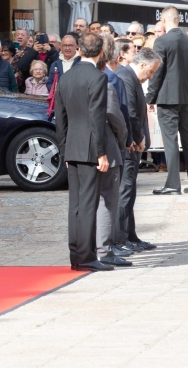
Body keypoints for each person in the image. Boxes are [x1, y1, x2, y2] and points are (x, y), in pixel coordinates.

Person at [55, 32, 111, 271]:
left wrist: (64, 148)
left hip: (72, 148)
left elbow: (60, 118)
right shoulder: (98, 78)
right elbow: (96, 118)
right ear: (100, 53)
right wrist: (101, 152)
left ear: (79, 50)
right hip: (89, 148)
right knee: (88, 204)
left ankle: (76, 255)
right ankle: (86, 256)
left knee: (75, 205)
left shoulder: (66, 77)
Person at [146, 6, 188, 195]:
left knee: (170, 140)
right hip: (186, 96)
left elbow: (157, 72)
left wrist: (149, 97)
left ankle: (172, 184)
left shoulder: (161, 42)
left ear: (163, 21)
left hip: (167, 97)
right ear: (179, 20)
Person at [115, 48, 162, 253]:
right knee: (124, 192)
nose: (150, 76)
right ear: (142, 64)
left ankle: (130, 235)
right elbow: (130, 113)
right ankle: (120, 238)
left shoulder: (129, 77)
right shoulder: (125, 77)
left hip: (133, 145)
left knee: (130, 192)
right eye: (150, 72)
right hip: (129, 145)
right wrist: (137, 138)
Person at [95, 52, 130, 267]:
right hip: (105, 148)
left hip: (77, 151)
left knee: (83, 202)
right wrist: (122, 139)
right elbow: (115, 117)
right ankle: (104, 251)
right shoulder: (104, 81)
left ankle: (84, 250)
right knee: (107, 201)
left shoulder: (66, 78)